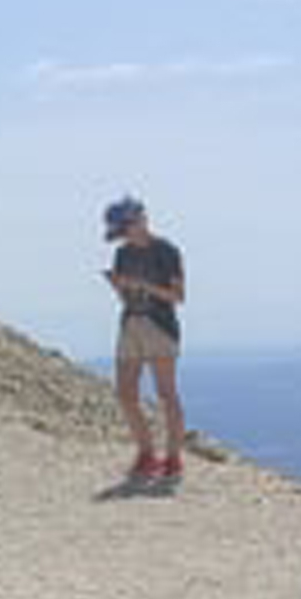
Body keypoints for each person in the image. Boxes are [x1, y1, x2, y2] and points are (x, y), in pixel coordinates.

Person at [101, 195, 187, 488]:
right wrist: (119, 287)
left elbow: (178, 297)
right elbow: (127, 297)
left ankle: (173, 458)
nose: (122, 237)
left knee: (166, 394)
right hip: (131, 323)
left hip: (159, 326)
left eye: (124, 229)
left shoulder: (166, 251)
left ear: (139, 221)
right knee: (125, 394)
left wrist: (143, 285)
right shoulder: (123, 254)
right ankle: (147, 453)